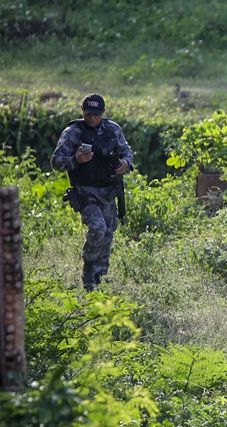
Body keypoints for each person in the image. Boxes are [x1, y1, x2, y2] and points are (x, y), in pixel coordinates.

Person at [51, 93, 133, 291]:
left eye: (96, 115)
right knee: (97, 228)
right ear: (83, 111)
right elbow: (56, 161)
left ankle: (99, 277)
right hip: (85, 190)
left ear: (102, 113)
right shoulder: (73, 132)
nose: (92, 118)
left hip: (108, 190)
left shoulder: (113, 130)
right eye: (88, 114)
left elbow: (127, 152)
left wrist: (125, 164)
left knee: (107, 234)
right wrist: (76, 160)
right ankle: (88, 270)